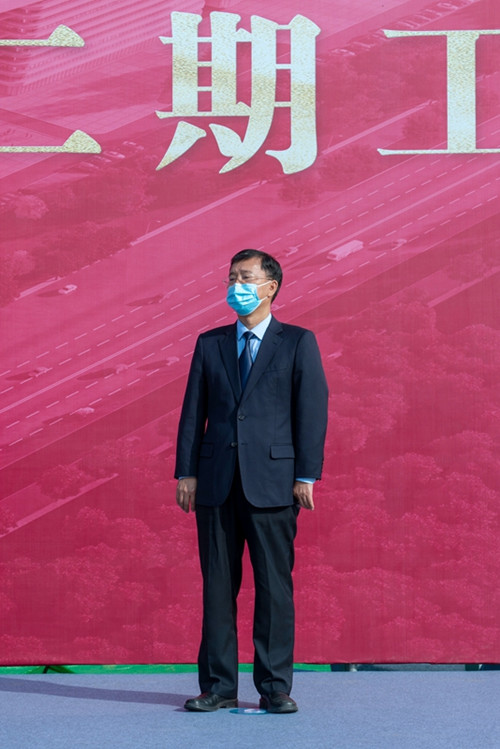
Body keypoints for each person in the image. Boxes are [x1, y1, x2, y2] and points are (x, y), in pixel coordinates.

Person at [175, 249, 328, 713]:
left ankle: (275, 687)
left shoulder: (297, 341)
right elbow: (193, 412)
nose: (236, 286)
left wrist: (306, 475)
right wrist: (186, 472)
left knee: (274, 589)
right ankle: (218, 687)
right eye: (231, 278)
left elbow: (311, 410)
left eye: (245, 278)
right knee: (217, 589)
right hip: (216, 483)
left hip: (274, 483)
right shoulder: (211, 343)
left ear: (270, 287)